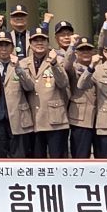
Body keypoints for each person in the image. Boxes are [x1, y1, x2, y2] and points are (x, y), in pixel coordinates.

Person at [18, 27, 70, 158]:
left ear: (48, 42)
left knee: (58, 159)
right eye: (36, 40)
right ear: (30, 44)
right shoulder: (23, 63)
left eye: (43, 40)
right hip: (33, 119)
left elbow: (63, 83)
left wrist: (54, 64)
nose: (39, 43)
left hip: (55, 120)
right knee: (37, 161)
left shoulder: (58, 60)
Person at [0, 31, 34, 158]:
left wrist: (18, 68)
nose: (3, 48)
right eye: (0, 45)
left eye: (7, 45)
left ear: (12, 47)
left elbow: (29, 86)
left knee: (19, 159)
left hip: (18, 119)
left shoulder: (22, 64)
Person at [63, 37, 99, 158]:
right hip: (80, 118)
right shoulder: (73, 68)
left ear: (93, 52)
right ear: (76, 52)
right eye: (82, 50)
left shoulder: (100, 67)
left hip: (101, 117)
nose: (85, 52)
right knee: (80, 157)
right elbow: (66, 65)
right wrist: (72, 45)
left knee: (103, 157)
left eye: (88, 49)